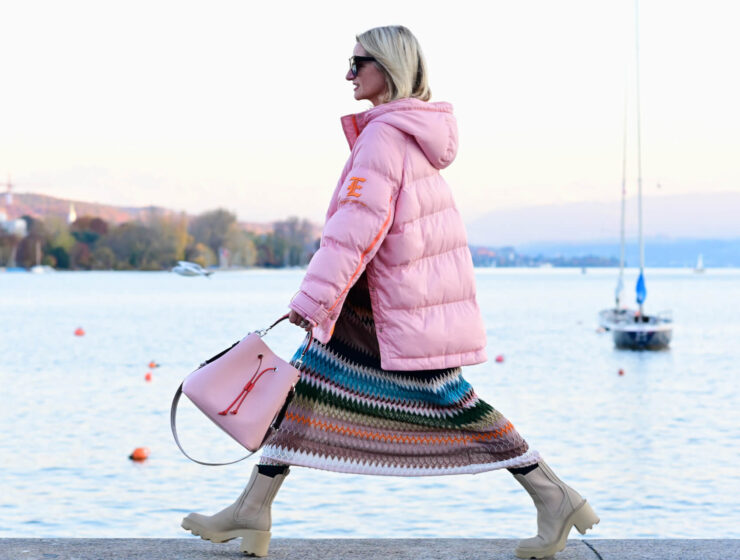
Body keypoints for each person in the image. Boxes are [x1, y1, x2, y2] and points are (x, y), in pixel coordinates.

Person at [181, 25, 599, 559]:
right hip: (383, 301)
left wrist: (311, 300)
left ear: (389, 67)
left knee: (451, 399)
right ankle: (252, 508)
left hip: (386, 309)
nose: (348, 74)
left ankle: (555, 496)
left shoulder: (384, 135)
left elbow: (357, 226)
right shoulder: (408, 133)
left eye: (358, 63)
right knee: (301, 391)